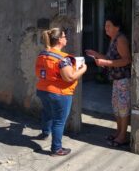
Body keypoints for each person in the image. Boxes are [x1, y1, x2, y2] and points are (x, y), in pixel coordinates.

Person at [35, 28, 87, 156]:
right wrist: (83, 69)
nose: (66, 38)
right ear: (59, 40)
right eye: (64, 36)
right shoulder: (63, 59)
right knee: (59, 121)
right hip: (59, 93)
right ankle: (56, 149)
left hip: (42, 90)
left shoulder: (42, 54)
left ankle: (45, 133)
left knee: (47, 112)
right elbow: (69, 77)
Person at [85, 15, 131, 147]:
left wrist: (105, 62)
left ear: (117, 27)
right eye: (105, 25)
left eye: (108, 26)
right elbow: (110, 58)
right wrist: (96, 54)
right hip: (116, 79)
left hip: (123, 79)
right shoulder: (113, 39)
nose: (106, 28)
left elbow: (126, 60)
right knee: (116, 107)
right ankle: (118, 133)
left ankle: (123, 136)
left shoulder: (121, 39)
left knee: (123, 108)